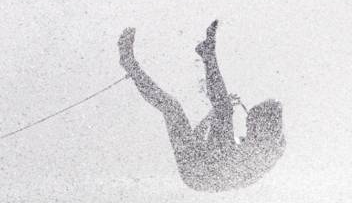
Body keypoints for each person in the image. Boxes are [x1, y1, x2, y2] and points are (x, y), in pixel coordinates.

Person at [119, 20, 285, 191]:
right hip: (207, 170)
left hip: (199, 173)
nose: (248, 126)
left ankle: (207, 54)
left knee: (223, 110)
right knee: (173, 108)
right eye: (249, 122)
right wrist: (211, 116)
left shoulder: (256, 153)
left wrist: (218, 112)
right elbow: (198, 140)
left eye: (251, 123)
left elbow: (220, 119)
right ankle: (130, 65)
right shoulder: (266, 145)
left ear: (263, 126)